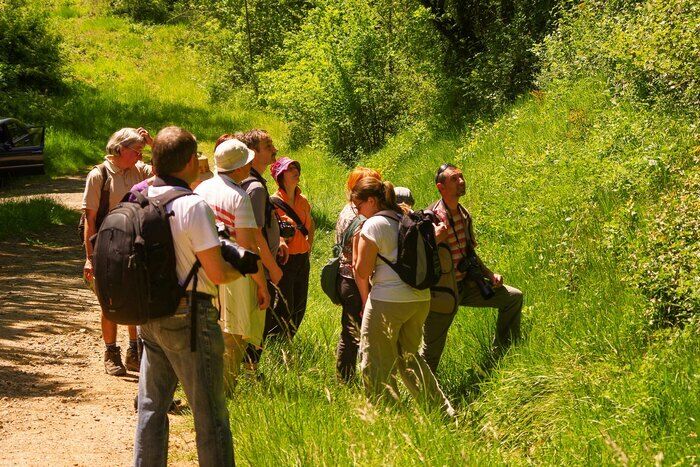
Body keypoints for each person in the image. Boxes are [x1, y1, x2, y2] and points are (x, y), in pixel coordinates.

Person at [134, 126, 240, 467]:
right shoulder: (193, 206)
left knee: (151, 407)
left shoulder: (139, 198)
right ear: (190, 161)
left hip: (149, 314)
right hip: (190, 317)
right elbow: (218, 272)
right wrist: (246, 268)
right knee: (210, 415)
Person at [352, 177, 454, 417]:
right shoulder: (403, 218)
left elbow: (362, 270)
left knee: (376, 361)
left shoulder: (374, 224)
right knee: (409, 357)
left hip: (388, 300)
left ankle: (385, 415)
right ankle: (441, 410)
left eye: (359, 206)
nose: (358, 212)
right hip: (420, 299)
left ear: (372, 200)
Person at [421, 163, 523, 373]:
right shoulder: (430, 219)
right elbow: (420, 259)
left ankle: (503, 349)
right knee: (431, 352)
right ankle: (422, 393)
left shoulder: (463, 214)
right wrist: (433, 239)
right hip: (443, 293)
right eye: (454, 179)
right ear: (441, 187)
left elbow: (469, 252)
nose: (461, 181)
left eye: (461, 177)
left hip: (468, 284)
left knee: (513, 298)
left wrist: (489, 274)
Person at [195, 138, 270, 389]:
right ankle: (223, 395)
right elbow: (248, 248)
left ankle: (202, 387)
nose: (249, 166)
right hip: (232, 274)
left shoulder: (200, 189)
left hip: (201, 269)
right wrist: (262, 284)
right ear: (238, 168)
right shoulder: (239, 197)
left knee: (205, 332)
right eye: (246, 163)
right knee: (232, 337)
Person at [82, 127, 153, 376]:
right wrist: (90, 259)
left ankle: (134, 351)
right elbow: (90, 219)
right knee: (108, 301)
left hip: (136, 244)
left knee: (137, 296)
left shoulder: (140, 170)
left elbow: (167, 170)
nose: (139, 156)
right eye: (136, 151)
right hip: (106, 245)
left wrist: (153, 144)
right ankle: (111, 352)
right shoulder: (99, 175)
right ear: (120, 149)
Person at [237, 129, 289, 374]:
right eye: (267, 145)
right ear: (252, 152)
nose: (274, 149)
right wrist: (273, 268)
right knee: (258, 322)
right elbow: (255, 236)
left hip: (244, 264)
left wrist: (277, 241)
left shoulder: (244, 181)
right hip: (258, 267)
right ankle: (250, 373)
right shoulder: (256, 187)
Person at [334, 167, 381, 382]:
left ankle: (345, 377)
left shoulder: (347, 210)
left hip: (345, 277)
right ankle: (348, 379)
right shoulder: (361, 218)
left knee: (350, 330)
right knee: (356, 332)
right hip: (356, 280)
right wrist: (366, 297)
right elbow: (358, 262)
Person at [269, 156, 314, 340]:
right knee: (284, 304)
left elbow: (311, 225)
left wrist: (308, 247)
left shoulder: (302, 200)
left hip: (302, 258)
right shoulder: (273, 202)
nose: (296, 170)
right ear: (280, 175)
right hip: (284, 260)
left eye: (297, 167)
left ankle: (289, 338)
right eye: (290, 168)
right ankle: (276, 340)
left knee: (300, 303)